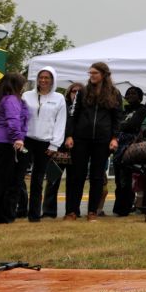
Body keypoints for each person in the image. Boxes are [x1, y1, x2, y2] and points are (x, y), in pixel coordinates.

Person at [64, 62, 121, 221]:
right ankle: (72, 211)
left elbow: (117, 118)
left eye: (95, 73)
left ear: (104, 74)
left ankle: (93, 211)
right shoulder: (82, 92)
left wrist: (115, 138)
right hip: (81, 138)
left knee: (97, 176)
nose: (91, 76)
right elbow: (73, 115)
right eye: (90, 73)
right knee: (77, 175)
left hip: (102, 140)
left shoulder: (114, 93)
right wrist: (69, 135)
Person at [22, 67, 66, 222]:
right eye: (41, 77)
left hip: (45, 144)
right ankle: (17, 210)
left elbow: (60, 123)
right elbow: (20, 117)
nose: (43, 80)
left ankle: (33, 215)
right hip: (27, 140)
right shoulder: (27, 95)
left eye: (47, 77)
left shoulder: (59, 98)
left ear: (52, 80)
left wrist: (54, 145)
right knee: (18, 176)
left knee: (37, 180)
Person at [43, 82, 82, 218]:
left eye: (79, 92)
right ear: (68, 92)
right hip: (59, 148)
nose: (76, 94)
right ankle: (48, 212)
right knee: (53, 180)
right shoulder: (61, 105)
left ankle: (72, 211)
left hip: (77, 150)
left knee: (74, 182)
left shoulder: (84, 108)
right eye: (73, 91)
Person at [111, 86, 146, 216]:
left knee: (127, 178)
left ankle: (125, 207)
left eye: (134, 93)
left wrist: (121, 126)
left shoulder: (143, 110)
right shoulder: (123, 110)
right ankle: (119, 207)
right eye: (129, 93)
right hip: (118, 146)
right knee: (119, 179)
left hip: (132, 147)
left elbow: (132, 125)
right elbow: (116, 124)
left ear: (140, 96)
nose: (131, 96)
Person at [0, 73, 28, 223]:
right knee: (4, 180)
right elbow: (13, 119)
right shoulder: (11, 99)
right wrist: (18, 138)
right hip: (6, 142)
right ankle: (1, 215)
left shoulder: (1, 97)